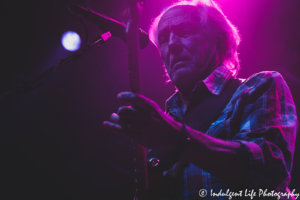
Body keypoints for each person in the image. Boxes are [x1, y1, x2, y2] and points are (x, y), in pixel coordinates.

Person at [103, 0, 298, 199]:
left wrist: (177, 139)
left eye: (185, 31)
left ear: (220, 40)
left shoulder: (258, 86)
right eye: (163, 39)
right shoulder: (159, 126)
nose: (171, 44)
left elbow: (268, 172)